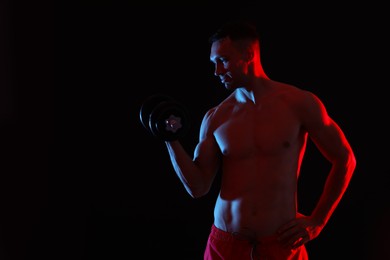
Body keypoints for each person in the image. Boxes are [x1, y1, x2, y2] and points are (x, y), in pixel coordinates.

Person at [163, 20, 356, 259]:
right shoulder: (216, 116)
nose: (217, 72)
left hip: (280, 246)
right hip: (225, 246)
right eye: (214, 64)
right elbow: (198, 187)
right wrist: (170, 139)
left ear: (248, 54)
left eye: (223, 61)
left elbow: (345, 158)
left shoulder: (299, 104)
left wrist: (318, 220)